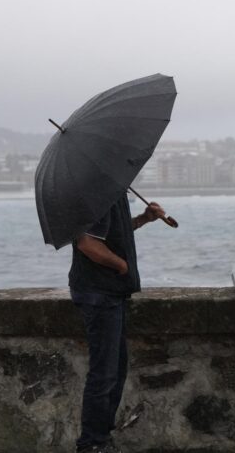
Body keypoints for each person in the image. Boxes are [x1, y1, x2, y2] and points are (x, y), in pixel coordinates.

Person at [69, 193, 166, 453]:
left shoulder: (111, 193)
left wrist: (143, 219)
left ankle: (100, 438)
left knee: (115, 370)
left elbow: (111, 234)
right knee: (104, 374)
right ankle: (92, 443)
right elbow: (88, 243)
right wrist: (121, 265)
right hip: (100, 294)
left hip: (110, 292)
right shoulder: (98, 195)